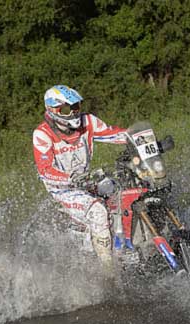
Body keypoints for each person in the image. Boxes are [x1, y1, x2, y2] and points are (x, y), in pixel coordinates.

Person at [32, 85, 128, 271]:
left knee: (125, 189)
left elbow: (113, 134)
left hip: (86, 181)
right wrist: (71, 179)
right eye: (68, 109)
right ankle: (109, 272)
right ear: (54, 110)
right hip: (63, 190)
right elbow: (45, 170)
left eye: (76, 107)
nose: (74, 113)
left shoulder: (88, 122)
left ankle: (129, 245)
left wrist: (141, 139)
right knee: (99, 211)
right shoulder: (42, 134)